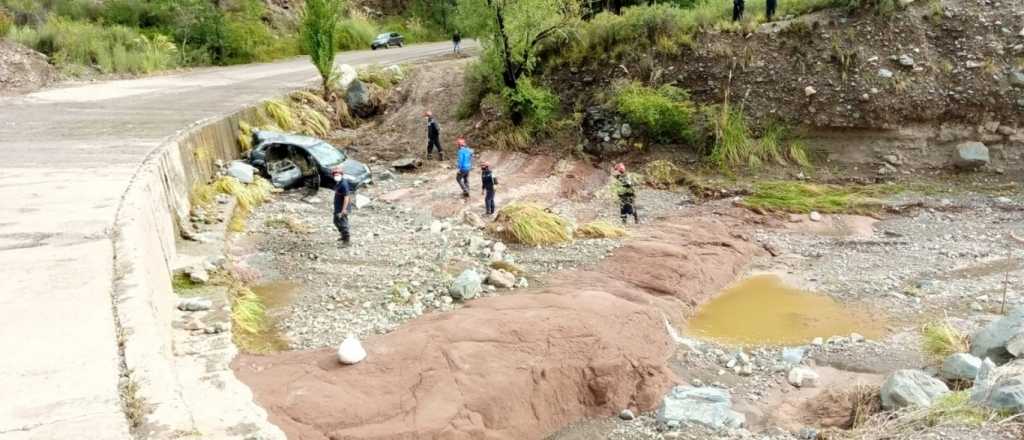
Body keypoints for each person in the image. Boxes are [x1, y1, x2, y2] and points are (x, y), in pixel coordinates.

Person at [332, 168, 352, 246]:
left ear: (341, 175)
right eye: (335, 175)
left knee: (343, 223)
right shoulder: (339, 182)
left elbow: (346, 197)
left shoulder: (343, 184)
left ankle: (347, 241)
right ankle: (343, 236)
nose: (336, 176)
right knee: (336, 221)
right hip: (338, 207)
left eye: (338, 174)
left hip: (342, 208)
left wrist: (344, 210)